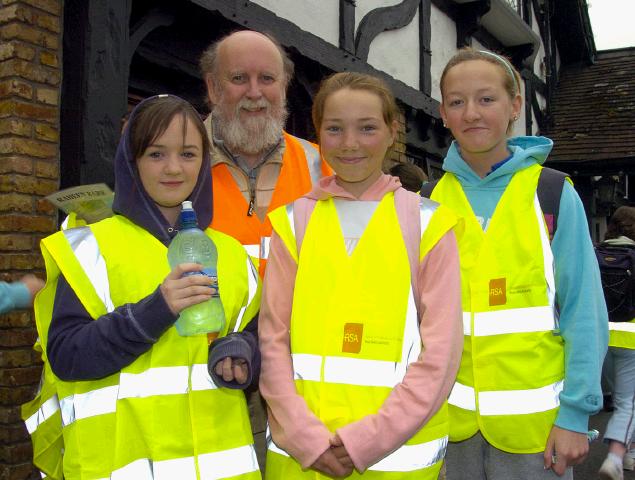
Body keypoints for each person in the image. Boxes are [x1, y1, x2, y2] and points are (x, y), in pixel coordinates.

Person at [23, 95, 262, 479]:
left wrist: (242, 352)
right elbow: (66, 358)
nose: (173, 168)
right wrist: (155, 311)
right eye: (155, 154)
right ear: (131, 161)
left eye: (188, 154)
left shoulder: (232, 254)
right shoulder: (90, 247)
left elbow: (254, 335)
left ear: (204, 164)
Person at [259, 72, 463, 479]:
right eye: (335, 128)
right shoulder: (293, 221)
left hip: (397, 458)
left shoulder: (429, 225)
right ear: (318, 133)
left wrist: (362, 442)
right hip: (303, 456)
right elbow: (272, 340)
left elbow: (441, 355)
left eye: (367, 128)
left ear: (392, 132)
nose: (350, 143)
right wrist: (306, 439)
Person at [425, 48, 608, 479]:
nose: (471, 113)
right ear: (443, 113)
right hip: (447, 427)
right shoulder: (427, 203)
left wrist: (576, 415)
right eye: (457, 101)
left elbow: (584, 309)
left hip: (540, 430)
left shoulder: (552, 193)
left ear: (515, 106)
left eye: (486, 99)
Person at [199, 30, 332, 277]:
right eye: (239, 78)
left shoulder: (322, 164)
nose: (254, 92)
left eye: (267, 78)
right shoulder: (180, 164)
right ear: (214, 88)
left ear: (284, 87)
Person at [598, 206, 635, 480]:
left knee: (622, 398)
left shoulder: (594, 253)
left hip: (601, 338)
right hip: (631, 340)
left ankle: (630, 454)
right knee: (628, 403)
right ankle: (615, 456)